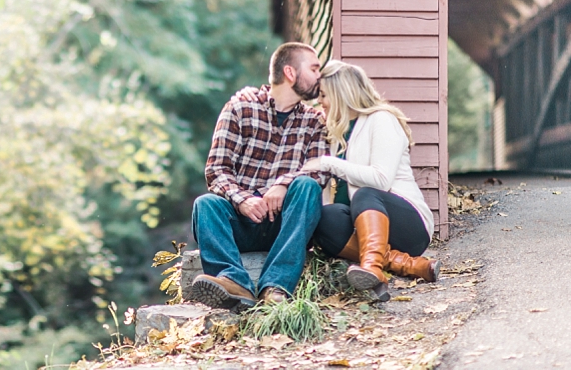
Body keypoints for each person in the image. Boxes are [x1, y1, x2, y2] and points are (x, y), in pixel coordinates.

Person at [188, 42, 329, 310]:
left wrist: (282, 185)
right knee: (204, 205)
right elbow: (216, 170)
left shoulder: (314, 120)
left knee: (308, 186)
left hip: (286, 225)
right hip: (243, 221)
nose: (318, 76)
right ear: (290, 72)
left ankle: (276, 286)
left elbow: (320, 168)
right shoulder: (240, 108)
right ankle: (233, 281)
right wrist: (243, 200)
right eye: (313, 69)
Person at [295, 60, 439, 302]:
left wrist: (329, 163)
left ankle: (373, 268)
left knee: (366, 192)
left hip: (409, 225)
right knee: (324, 218)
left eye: (323, 95)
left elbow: (381, 180)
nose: (319, 101)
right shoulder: (339, 134)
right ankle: (411, 266)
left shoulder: (381, 119)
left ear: (341, 93)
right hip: (363, 230)